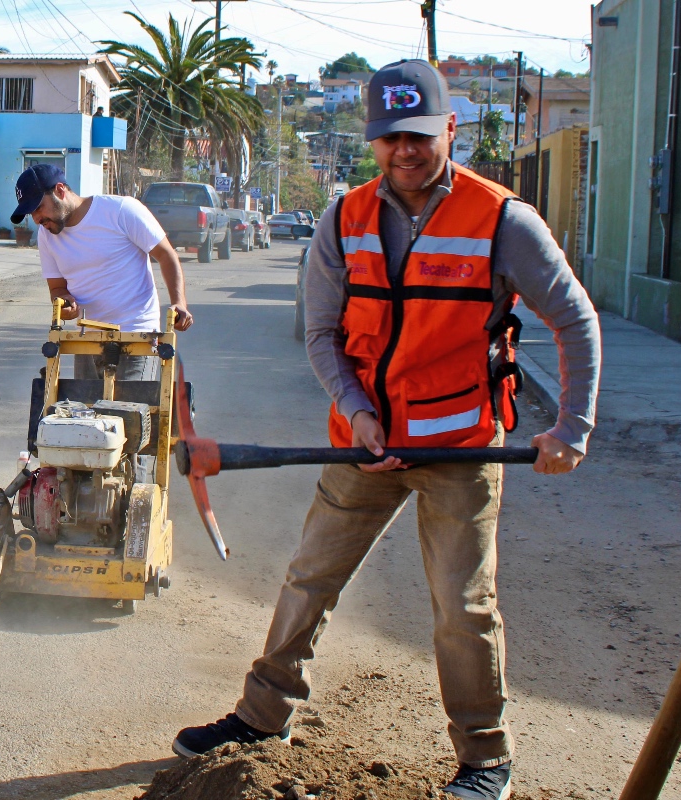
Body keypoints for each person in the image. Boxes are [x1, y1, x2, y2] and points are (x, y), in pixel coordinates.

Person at [171, 60, 601, 800]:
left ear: (450, 131)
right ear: (372, 139)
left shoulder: (502, 220)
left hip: (461, 447)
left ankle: (484, 758)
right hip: (361, 442)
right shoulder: (343, 218)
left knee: (462, 609)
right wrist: (359, 410)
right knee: (309, 579)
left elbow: (575, 319)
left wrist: (574, 424)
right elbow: (321, 334)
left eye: (420, 135)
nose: (405, 150)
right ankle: (261, 715)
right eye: (389, 136)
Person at [10, 163, 193, 380]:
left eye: (38, 207)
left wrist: (179, 303)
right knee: (84, 412)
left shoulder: (120, 211)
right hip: (86, 340)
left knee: (131, 411)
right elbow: (57, 288)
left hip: (137, 336)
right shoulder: (46, 235)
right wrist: (64, 302)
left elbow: (166, 255)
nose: (37, 219)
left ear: (60, 190)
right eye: (31, 213)